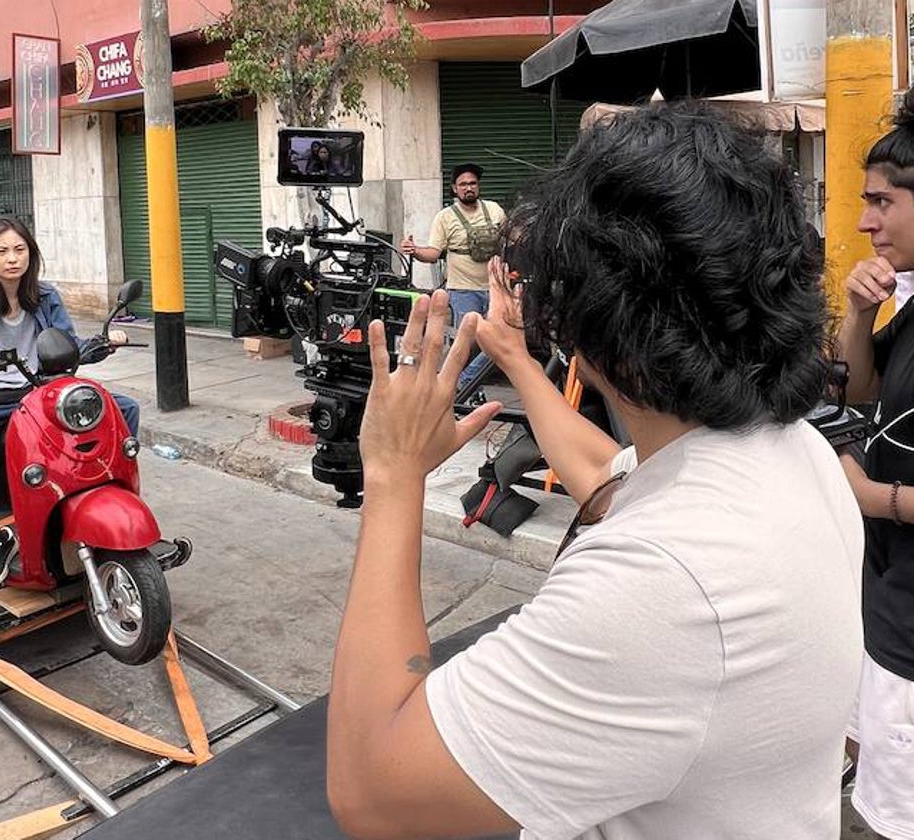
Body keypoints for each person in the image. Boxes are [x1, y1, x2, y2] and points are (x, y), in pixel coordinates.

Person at [328, 105, 863, 839]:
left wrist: (392, 475)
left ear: (594, 326)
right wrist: (515, 356)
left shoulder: (666, 584)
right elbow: (610, 479)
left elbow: (371, 787)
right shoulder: (791, 454)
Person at [0, 216, 141, 594]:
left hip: (40, 393)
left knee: (123, 409)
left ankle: (100, 498)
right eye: (1, 251)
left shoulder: (44, 295)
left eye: (20, 250)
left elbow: (66, 346)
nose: (12, 258)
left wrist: (104, 341)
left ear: (31, 255)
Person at [835, 86, 914, 840]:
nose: (865, 221)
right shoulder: (911, 300)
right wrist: (859, 314)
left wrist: (873, 496)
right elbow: (860, 386)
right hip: (890, 597)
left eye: (881, 202)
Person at [401, 163, 506, 391]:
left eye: (473, 183)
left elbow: (511, 242)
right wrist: (415, 250)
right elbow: (433, 254)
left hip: (496, 288)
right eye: (463, 184)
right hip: (463, 291)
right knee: (466, 346)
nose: (469, 188)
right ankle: (464, 393)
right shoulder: (445, 218)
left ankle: (462, 384)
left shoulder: (495, 210)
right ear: (454, 189)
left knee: (497, 343)